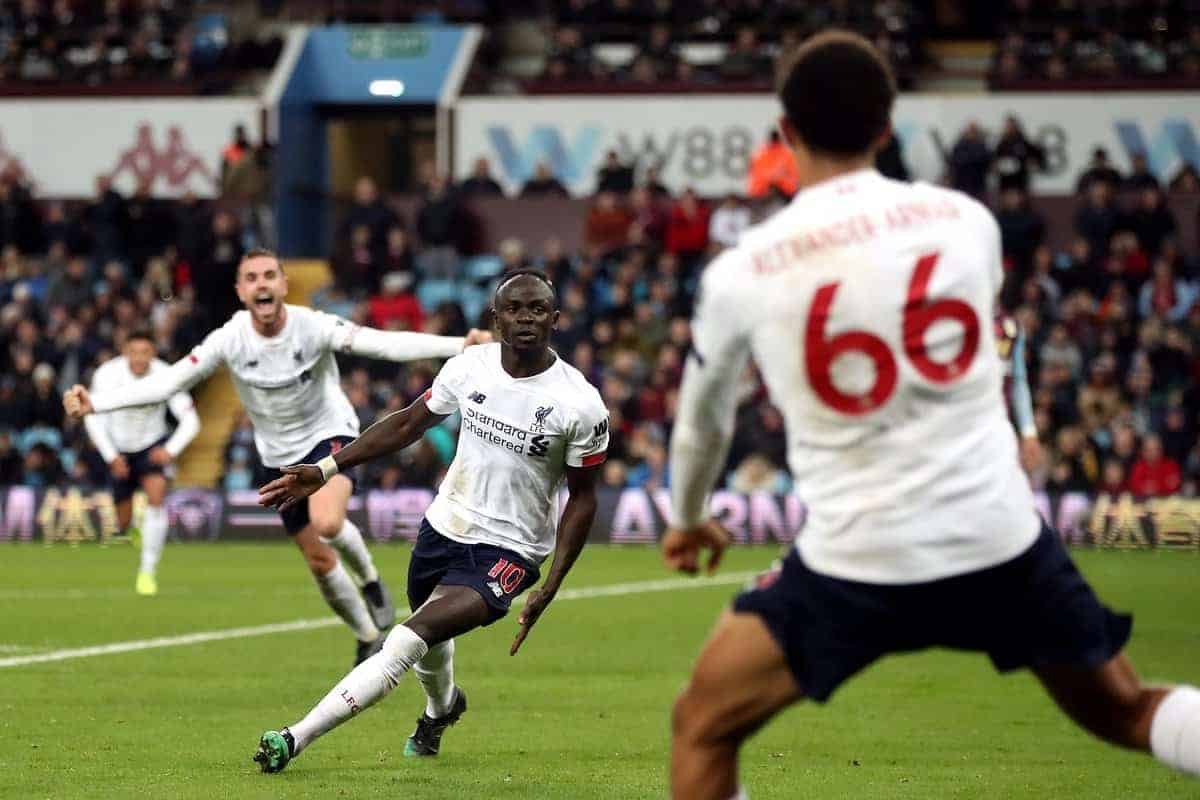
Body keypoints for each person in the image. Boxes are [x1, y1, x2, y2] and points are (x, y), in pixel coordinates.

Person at [661, 31, 1200, 800]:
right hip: (996, 538)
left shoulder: (743, 270)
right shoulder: (966, 221)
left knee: (703, 727)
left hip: (858, 556)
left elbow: (700, 425)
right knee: (1124, 708)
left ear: (785, 132)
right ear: (887, 128)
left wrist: (686, 517)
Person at [251, 270, 609, 772]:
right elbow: (407, 424)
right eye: (514, 309)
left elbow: (584, 498)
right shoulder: (470, 367)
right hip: (443, 527)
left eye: (536, 309)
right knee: (428, 644)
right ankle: (441, 710)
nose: (525, 318)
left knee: (404, 639)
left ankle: (293, 738)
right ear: (495, 318)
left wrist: (551, 583)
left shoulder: (580, 403)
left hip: (510, 551)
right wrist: (326, 468)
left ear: (555, 318)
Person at [64, 249, 491, 666]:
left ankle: (371, 580)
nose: (262, 284)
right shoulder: (230, 338)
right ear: (240, 291)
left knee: (327, 522)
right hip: (277, 456)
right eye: (252, 278)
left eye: (270, 275)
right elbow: (169, 382)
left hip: (329, 434)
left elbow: (377, 344)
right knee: (320, 562)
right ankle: (367, 636)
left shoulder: (312, 326)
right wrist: (96, 404)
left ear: (284, 285)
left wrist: (458, 343)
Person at [82, 329, 201, 595]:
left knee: (156, 498)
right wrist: (111, 456)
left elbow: (191, 421)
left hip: (151, 447)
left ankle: (147, 572)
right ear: (124, 352)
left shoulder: (167, 374)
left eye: (144, 352)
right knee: (122, 523)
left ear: (153, 353)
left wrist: (170, 450)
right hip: (118, 449)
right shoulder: (106, 374)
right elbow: (91, 416)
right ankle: (134, 529)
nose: (139, 358)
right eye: (133, 352)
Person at [995, 312, 1042, 474]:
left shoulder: (1011, 328)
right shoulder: (955, 321)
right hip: (958, 428)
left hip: (997, 429)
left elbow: (1018, 381)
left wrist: (1028, 431)